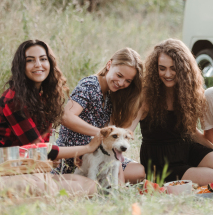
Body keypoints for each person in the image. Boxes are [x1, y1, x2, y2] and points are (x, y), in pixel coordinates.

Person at [0, 39, 98, 196]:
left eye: (43, 59)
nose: (38, 64)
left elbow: (41, 152)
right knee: (46, 188)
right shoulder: (14, 99)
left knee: (90, 185)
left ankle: (33, 192)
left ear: (50, 63)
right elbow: (39, 149)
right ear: (21, 66)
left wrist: (50, 160)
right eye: (30, 60)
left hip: (29, 164)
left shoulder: (44, 97)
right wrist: (88, 148)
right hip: (1, 163)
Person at [129, 39, 213, 186]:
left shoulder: (187, 93)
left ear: (184, 68)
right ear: (155, 68)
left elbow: (190, 131)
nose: (168, 74)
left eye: (174, 68)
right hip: (162, 161)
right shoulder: (146, 96)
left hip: (187, 148)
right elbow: (127, 130)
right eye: (162, 68)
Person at [55, 47, 146, 184]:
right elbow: (66, 116)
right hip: (76, 157)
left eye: (128, 81)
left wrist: (120, 181)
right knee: (89, 182)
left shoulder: (111, 95)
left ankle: (106, 183)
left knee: (139, 172)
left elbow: (112, 147)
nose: (121, 83)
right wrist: (101, 133)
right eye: (119, 75)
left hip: (101, 156)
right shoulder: (90, 85)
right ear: (109, 65)